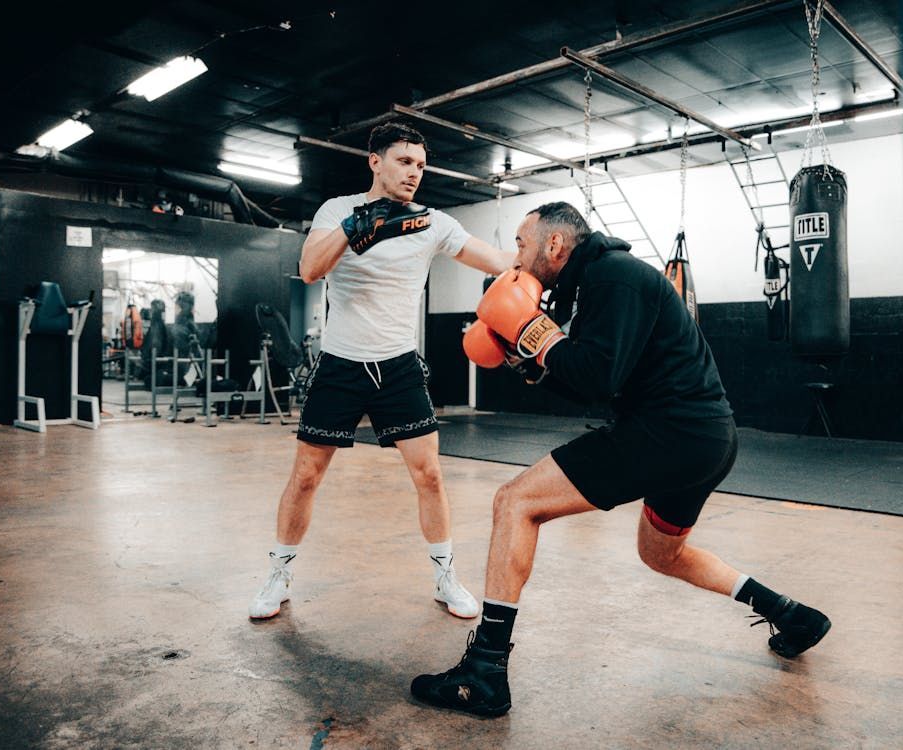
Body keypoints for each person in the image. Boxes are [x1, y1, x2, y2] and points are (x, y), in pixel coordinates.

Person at [410, 202, 832, 716]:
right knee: (662, 553)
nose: (515, 259)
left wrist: (532, 332)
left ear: (554, 245)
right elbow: (589, 381)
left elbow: (597, 376)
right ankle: (790, 614)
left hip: (670, 432)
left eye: (521, 244)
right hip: (704, 438)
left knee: (515, 502)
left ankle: (484, 672)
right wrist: (527, 359)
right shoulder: (596, 283)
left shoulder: (613, 277)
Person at [248, 122, 516, 621]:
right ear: (375, 161)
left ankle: (445, 576)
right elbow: (310, 269)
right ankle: (278, 575)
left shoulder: (433, 222)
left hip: (398, 367)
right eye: (404, 161)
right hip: (340, 364)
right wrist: (356, 227)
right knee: (305, 476)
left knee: (429, 475)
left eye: (421, 165)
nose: (415, 172)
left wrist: (559, 256)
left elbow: (499, 260)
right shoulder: (337, 210)